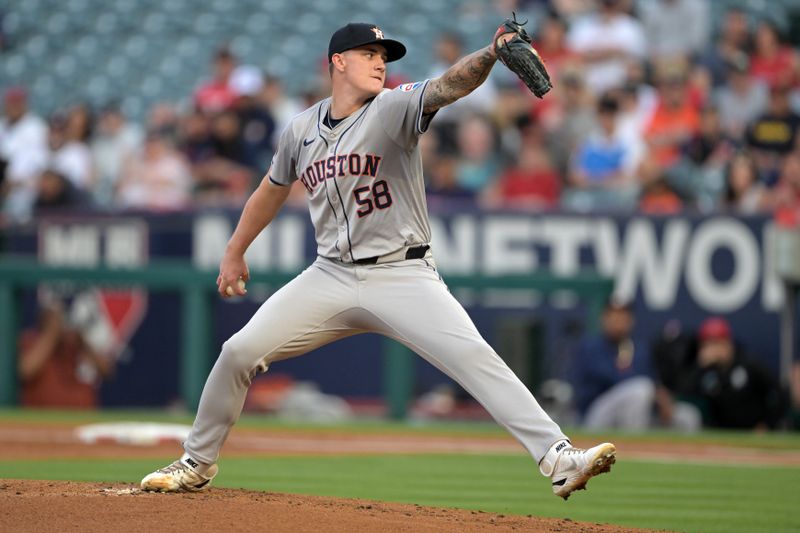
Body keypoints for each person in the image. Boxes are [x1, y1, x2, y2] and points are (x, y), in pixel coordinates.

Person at [141, 20, 615, 499]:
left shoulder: (391, 107)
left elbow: (449, 85)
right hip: (328, 275)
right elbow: (270, 189)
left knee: (476, 358)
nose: (380, 61)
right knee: (237, 352)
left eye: (383, 55)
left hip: (402, 272)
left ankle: (558, 457)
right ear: (338, 63)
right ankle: (197, 462)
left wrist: (490, 54)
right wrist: (234, 250)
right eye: (368, 53)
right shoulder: (300, 129)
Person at [18, 291, 114, 409]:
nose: (60, 320)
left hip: (80, 417)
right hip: (42, 420)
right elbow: (25, 370)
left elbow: (107, 370)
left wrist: (82, 342)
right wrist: (51, 333)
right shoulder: (31, 340)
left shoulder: (74, 343)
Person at [685, 317, 785, 430]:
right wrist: (700, 367)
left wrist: (768, 424)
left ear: (727, 342)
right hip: (720, 433)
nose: (712, 349)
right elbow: (685, 395)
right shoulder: (706, 372)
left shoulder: (748, 365)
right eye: (707, 345)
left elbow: (778, 392)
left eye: (716, 343)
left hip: (753, 431)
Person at [571, 297, 654, 430]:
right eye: (614, 316)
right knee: (640, 390)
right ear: (604, 319)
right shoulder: (591, 347)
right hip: (595, 413)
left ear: (631, 320)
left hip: (635, 410)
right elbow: (606, 379)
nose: (618, 321)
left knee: (687, 416)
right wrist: (628, 375)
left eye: (623, 316)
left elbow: (651, 380)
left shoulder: (638, 348)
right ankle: (633, 442)